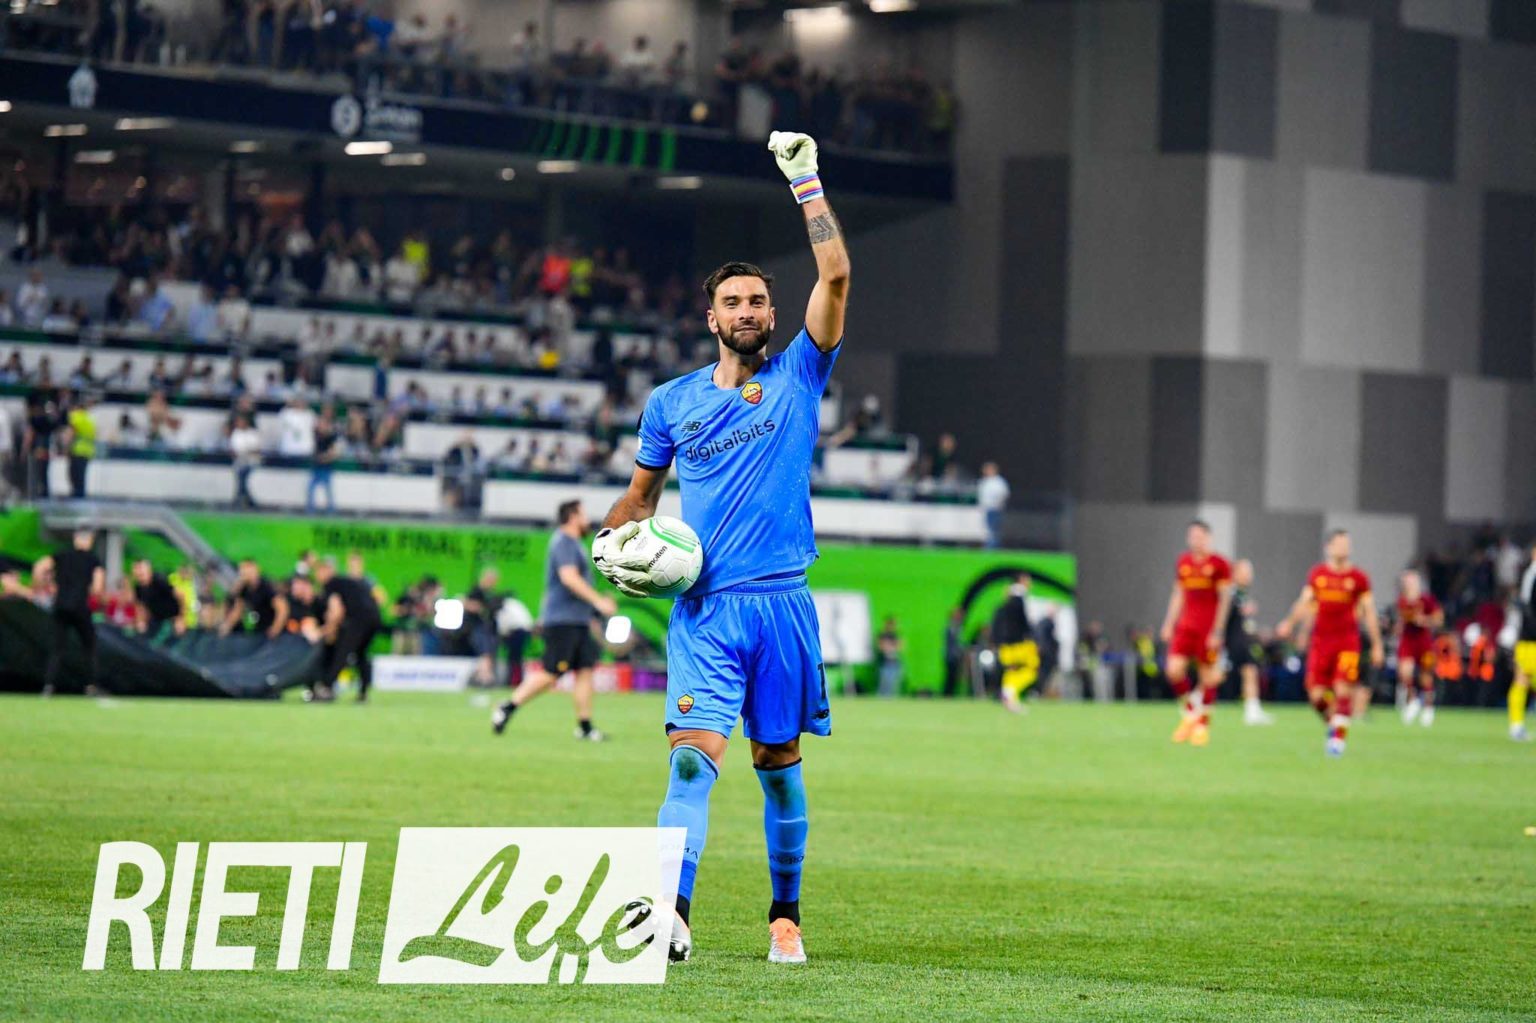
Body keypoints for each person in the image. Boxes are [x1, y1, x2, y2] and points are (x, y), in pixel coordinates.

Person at [589, 131, 849, 966]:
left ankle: (785, 917)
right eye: (732, 302)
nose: (747, 311)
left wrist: (806, 183)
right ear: (712, 318)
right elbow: (641, 496)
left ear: (772, 315)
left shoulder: (801, 373)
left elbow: (835, 277)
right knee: (690, 765)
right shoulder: (671, 403)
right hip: (705, 611)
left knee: (777, 765)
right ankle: (671, 912)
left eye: (758, 302)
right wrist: (609, 536)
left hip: (781, 606)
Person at [492, 500, 616, 739]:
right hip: (562, 620)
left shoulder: (575, 544)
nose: (587, 519)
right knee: (552, 672)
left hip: (577, 620)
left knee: (585, 670)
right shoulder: (563, 542)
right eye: (583, 514)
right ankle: (507, 706)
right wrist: (598, 601)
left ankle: (585, 727)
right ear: (572, 516)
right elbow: (569, 578)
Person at [1276, 530, 1385, 758]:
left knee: (1343, 688)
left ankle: (1337, 742)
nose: (1344, 548)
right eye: (1340, 544)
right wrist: (1289, 622)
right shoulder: (1318, 575)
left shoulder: (1358, 578)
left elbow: (1369, 612)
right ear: (1329, 547)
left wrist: (1377, 644)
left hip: (1348, 642)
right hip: (1321, 642)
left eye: (1347, 544)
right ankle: (1335, 724)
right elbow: (1304, 602)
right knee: (1316, 696)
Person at [1158, 520, 1233, 747]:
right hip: (1186, 627)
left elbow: (1225, 599)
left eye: (1199, 537)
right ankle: (1191, 713)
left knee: (1208, 676)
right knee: (1173, 670)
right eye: (1192, 537)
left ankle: (1202, 726)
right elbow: (1178, 594)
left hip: (1208, 628)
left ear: (1208, 538)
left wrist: (1218, 630)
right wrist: (1169, 623)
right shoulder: (1184, 562)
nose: (1195, 541)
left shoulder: (1219, 564)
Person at [36, 530, 105, 696]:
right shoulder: (93, 559)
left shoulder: (62, 554)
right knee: (89, 647)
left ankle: (48, 686)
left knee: (57, 648)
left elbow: (40, 567)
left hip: (60, 606)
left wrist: (43, 585)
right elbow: (97, 587)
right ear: (90, 541)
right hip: (80, 607)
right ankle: (91, 685)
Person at [315, 555, 383, 702]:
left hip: (359, 619)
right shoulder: (347, 582)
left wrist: (326, 630)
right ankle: (363, 693)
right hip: (375, 618)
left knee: (342, 651)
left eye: (320, 570)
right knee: (360, 654)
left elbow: (336, 610)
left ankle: (326, 688)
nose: (318, 575)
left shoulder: (332, 584)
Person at [1226, 559, 1274, 726]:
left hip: (1241, 640)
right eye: (1245, 572)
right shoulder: (1230, 592)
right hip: (1233, 640)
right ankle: (1195, 701)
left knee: (1250, 671)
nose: (1249, 576)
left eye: (1250, 572)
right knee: (1216, 675)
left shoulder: (1241, 593)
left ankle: (1252, 709)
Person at [1394, 570, 1444, 727]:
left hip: (1423, 641)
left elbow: (1439, 619)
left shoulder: (1427, 600)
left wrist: (1425, 621)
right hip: (1408, 640)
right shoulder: (1401, 600)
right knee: (1405, 672)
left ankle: (1428, 708)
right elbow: (1402, 619)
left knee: (1425, 676)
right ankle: (1413, 700)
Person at [992, 572, 1038, 713]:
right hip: (1018, 644)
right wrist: (1030, 636)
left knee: (1011, 670)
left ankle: (1009, 697)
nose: (1030, 583)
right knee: (1031, 669)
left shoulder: (1007, 600)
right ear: (1022, 581)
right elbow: (1024, 623)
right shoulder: (1020, 599)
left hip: (1006, 643)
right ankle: (1010, 693)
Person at [221, 558, 290, 639]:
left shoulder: (267, 586)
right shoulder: (245, 588)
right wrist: (227, 625)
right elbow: (238, 609)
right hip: (259, 628)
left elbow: (282, 609)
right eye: (243, 571)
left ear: (256, 570)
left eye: (248, 570)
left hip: (274, 631)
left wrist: (275, 629)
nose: (246, 574)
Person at [1510, 544, 1536, 742]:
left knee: (1523, 681)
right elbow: (1528, 609)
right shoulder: (1532, 574)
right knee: (1522, 680)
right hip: (1530, 640)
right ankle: (1516, 725)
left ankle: (1517, 725)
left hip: (1528, 638)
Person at [131, 559, 184, 640]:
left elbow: (180, 595)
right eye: (136, 569)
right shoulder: (138, 589)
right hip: (156, 620)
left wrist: (180, 618)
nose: (139, 572)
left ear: (149, 570)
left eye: (141, 568)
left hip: (171, 620)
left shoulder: (159, 580)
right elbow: (140, 608)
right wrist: (140, 622)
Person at [976, 461, 1009, 549]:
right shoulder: (985, 481)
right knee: (987, 529)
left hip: (995, 509)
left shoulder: (998, 482)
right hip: (986, 508)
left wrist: (997, 504)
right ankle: (990, 545)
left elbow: (1003, 494)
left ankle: (993, 547)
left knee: (993, 529)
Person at [876, 615, 903, 697]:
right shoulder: (882, 634)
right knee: (884, 682)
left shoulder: (895, 635)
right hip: (885, 662)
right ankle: (882, 698)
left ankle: (891, 698)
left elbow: (900, 647)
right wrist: (890, 647)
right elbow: (881, 647)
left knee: (894, 682)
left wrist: (891, 646)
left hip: (895, 661)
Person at [942, 607, 966, 697]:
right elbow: (955, 642)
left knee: (954, 677)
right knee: (950, 676)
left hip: (954, 656)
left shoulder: (958, 627)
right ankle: (947, 694)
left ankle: (949, 694)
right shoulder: (952, 627)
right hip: (951, 656)